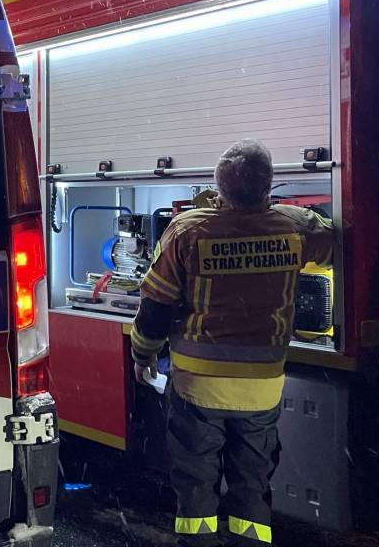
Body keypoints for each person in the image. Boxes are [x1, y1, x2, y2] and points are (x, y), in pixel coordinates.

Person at [131, 139, 333, 546]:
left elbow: (156, 307)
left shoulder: (188, 230)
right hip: (261, 387)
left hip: (197, 386)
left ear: (218, 186)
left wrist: (143, 354)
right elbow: (331, 241)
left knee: (195, 485)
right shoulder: (292, 228)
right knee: (253, 485)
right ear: (269, 184)